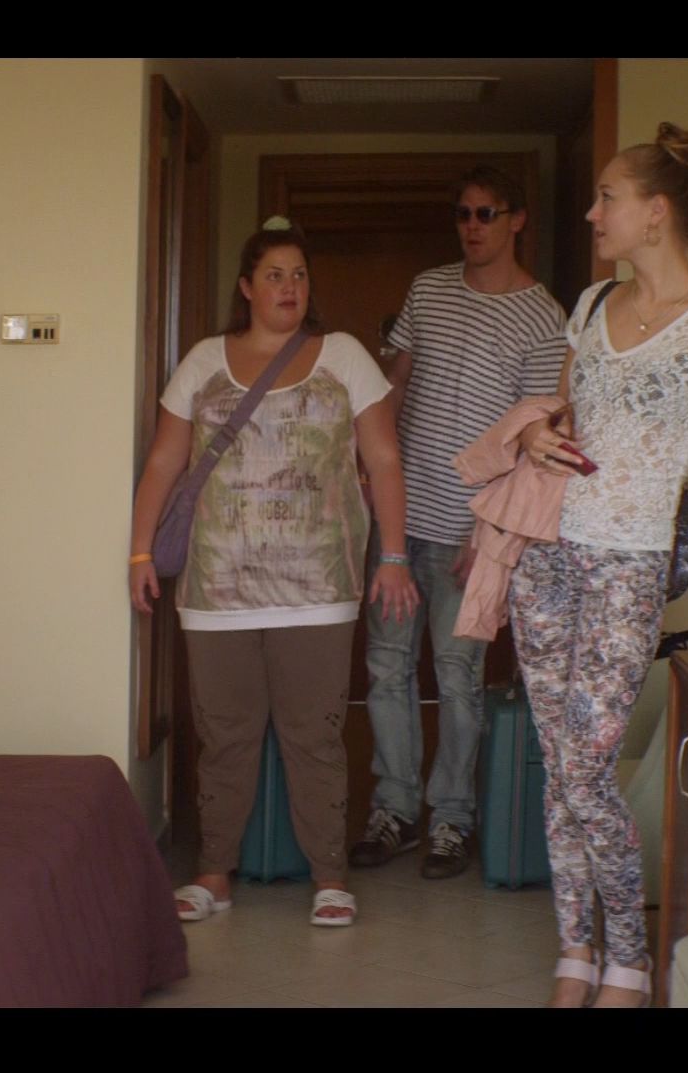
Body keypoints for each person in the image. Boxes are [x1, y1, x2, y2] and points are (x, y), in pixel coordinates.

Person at [511, 123, 688, 1006]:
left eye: (607, 198)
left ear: (656, 213)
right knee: (558, 764)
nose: (592, 213)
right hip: (545, 557)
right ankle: (575, 950)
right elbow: (565, 417)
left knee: (586, 766)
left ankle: (629, 956)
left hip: (628, 567)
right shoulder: (588, 306)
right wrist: (537, 435)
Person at [128, 218, 419, 928]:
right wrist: (139, 552)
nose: (290, 287)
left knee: (314, 736)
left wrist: (393, 555)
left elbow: (383, 458)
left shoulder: (344, 356)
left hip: (319, 587)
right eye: (274, 275)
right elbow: (165, 460)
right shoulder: (204, 361)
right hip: (216, 586)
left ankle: (330, 877)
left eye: (299, 275)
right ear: (247, 287)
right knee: (224, 736)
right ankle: (213, 874)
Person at [353, 166, 569, 880]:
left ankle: (452, 820)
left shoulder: (545, 319)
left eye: (486, 213)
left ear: (517, 220)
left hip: (470, 532)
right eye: (462, 214)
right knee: (386, 668)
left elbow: (536, 446)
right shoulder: (428, 289)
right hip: (398, 521)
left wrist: (493, 540)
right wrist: (367, 469)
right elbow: (394, 385)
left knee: (458, 677)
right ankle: (394, 810)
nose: (472, 226)